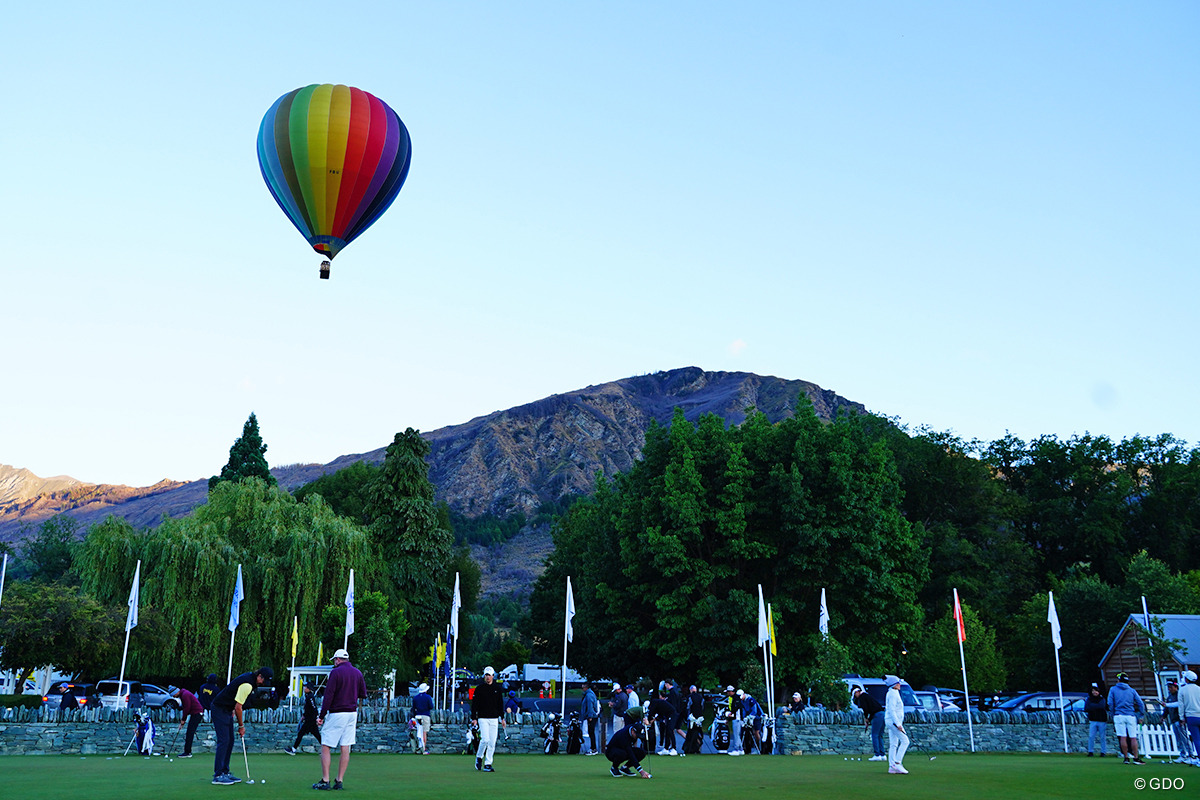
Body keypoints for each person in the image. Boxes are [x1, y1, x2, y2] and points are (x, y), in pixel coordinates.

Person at [313, 649, 368, 790]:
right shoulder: (357, 672)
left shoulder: (335, 673)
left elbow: (328, 696)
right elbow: (363, 694)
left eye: (334, 660)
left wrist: (321, 716)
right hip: (352, 713)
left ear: (337, 659)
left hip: (338, 712)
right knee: (346, 746)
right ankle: (339, 780)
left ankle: (325, 780)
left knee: (326, 745)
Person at [211, 666, 274, 785]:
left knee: (230, 740)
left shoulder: (250, 679)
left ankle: (225, 771)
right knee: (224, 741)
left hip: (226, 709)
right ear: (259, 676)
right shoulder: (247, 685)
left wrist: (233, 711)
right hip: (219, 708)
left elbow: (235, 703)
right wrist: (241, 726)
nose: (263, 683)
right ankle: (218, 775)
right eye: (263, 680)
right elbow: (238, 707)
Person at [470, 665, 506, 773]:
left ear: (493, 676)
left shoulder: (497, 689)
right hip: (483, 718)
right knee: (485, 739)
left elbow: (500, 704)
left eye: (489, 675)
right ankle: (479, 757)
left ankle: (488, 763)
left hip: (494, 718)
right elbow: (474, 704)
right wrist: (474, 718)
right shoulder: (479, 689)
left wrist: (502, 718)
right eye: (486, 675)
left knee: (492, 742)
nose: (488, 677)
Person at [1107, 672, 1145, 765]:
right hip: (1130, 715)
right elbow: (1140, 703)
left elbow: (1110, 703)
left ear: (1119, 680)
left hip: (1119, 715)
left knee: (1122, 737)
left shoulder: (1113, 689)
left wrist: (1112, 713)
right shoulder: (1132, 690)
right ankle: (1136, 758)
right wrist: (1141, 715)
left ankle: (1126, 757)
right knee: (1133, 738)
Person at [605, 706, 651, 778]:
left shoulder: (635, 729)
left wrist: (648, 726)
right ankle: (614, 767)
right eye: (636, 735)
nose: (637, 737)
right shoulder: (624, 735)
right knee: (623, 753)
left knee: (641, 752)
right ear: (632, 731)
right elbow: (630, 753)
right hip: (611, 752)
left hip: (623, 749)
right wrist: (641, 771)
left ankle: (625, 767)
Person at [285, 682, 320, 755]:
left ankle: (293, 749)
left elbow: (313, 708)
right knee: (317, 735)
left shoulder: (310, 697)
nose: (304, 688)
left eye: (305, 687)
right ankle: (326, 749)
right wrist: (304, 716)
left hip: (310, 720)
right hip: (309, 719)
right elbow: (308, 708)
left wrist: (314, 717)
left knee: (301, 733)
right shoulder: (308, 696)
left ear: (309, 689)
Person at [852, 686, 886, 761]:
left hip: (877, 715)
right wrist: (869, 719)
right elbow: (871, 708)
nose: (856, 697)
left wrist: (866, 718)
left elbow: (866, 708)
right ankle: (882, 755)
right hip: (882, 714)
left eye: (855, 694)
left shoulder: (862, 697)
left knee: (874, 735)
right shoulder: (867, 696)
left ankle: (877, 755)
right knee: (880, 735)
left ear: (857, 692)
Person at [1164, 679, 1194, 764]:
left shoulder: (1179, 695)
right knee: (1178, 739)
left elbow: (1180, 706)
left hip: (1179, 720)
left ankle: (1190, 754)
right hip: (1173, 720)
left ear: (1176, 687)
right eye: (1169, 687)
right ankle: (1183, 754)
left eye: (1171, 687)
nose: (1169, 689)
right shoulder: (1169, 697)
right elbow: (1167, 708)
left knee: (1184, 738)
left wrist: (1182, 718)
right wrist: (1164, 716)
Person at [884, 675, 909, 774]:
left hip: (893, 722)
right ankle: (897, 763)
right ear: (894, 684)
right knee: (905, 741)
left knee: (894, 744)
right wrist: (898, 724)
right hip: (893, 722)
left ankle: (892, 767)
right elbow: (892, 710)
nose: (900, 684)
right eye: (898, 683)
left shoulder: (894, 692)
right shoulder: (893, 694)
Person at [171, 686, 204, 758]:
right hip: (195, 713)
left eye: (173, 695)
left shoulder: (185, 695)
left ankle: (187, 752)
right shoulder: (184, 693)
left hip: (197, 713)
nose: (174, 696)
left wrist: (183, 720)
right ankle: (187, 751)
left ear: (176, 692)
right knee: (189, 733)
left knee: (190, 733)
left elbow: (187, 708)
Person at [1178, 670, 1200, 767]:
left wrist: (1181, 717)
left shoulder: (1182, 690)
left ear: (1186, 679)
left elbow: (1181, 705)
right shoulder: (1199, 689)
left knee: (1196, 739)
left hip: (1191, 716)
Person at [648, 689, 678, 756]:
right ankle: (666, 748)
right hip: (668, 716)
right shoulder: (657, 704)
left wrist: (650, 720)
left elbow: (651, 713)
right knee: (667, 731)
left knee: (670, 730)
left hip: (672, 714)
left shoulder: (654, 702)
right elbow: (659, 715)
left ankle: (674, 748)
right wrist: (653, 720)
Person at [1083, 682, 1108, 757]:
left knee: (1102, 737)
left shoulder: (1102, 698)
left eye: (1096, 690)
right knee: (1091, 736)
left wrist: (1092, 706)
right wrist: (1094, 706)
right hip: (1093, 719)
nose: (1094, 692)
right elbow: (1086, 708)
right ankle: (1090, 751)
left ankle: (1103, 752)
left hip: (1102, 720)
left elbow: (1101, 706)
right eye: (1093, 690)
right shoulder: (1089, 699)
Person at [411, 682, 434, 755]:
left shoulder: (415, 697)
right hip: (425, 715)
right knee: (424, 732)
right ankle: (423, 749)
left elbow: (413, 708)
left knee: (418, 732)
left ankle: (418, 748)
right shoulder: (428, 697)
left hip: (417, 715)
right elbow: (431, 706)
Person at [579, 681, 600, 755]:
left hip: (592, 716)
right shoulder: (589, 694)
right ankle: (593, 748)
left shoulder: (589, 695)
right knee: (591, 732)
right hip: (592, 715)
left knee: (591, 732)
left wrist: (590, 716)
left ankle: (593, 748)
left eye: (583, 687)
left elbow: (590, 706)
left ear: (586, 687)